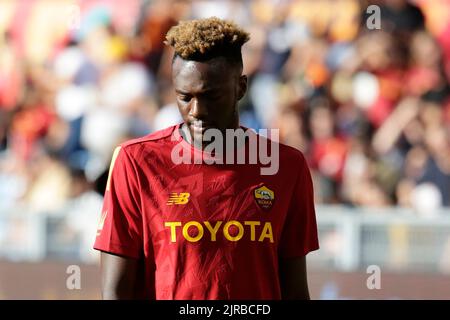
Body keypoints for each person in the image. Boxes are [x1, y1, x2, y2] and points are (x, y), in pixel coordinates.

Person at [94, 17, 319, 300]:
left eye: (211, 96)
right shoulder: (136, 162)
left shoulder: (286, 167)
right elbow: (115, 291)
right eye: (185, 97)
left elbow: (295, 289)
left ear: (241, 88)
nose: (197, 110)